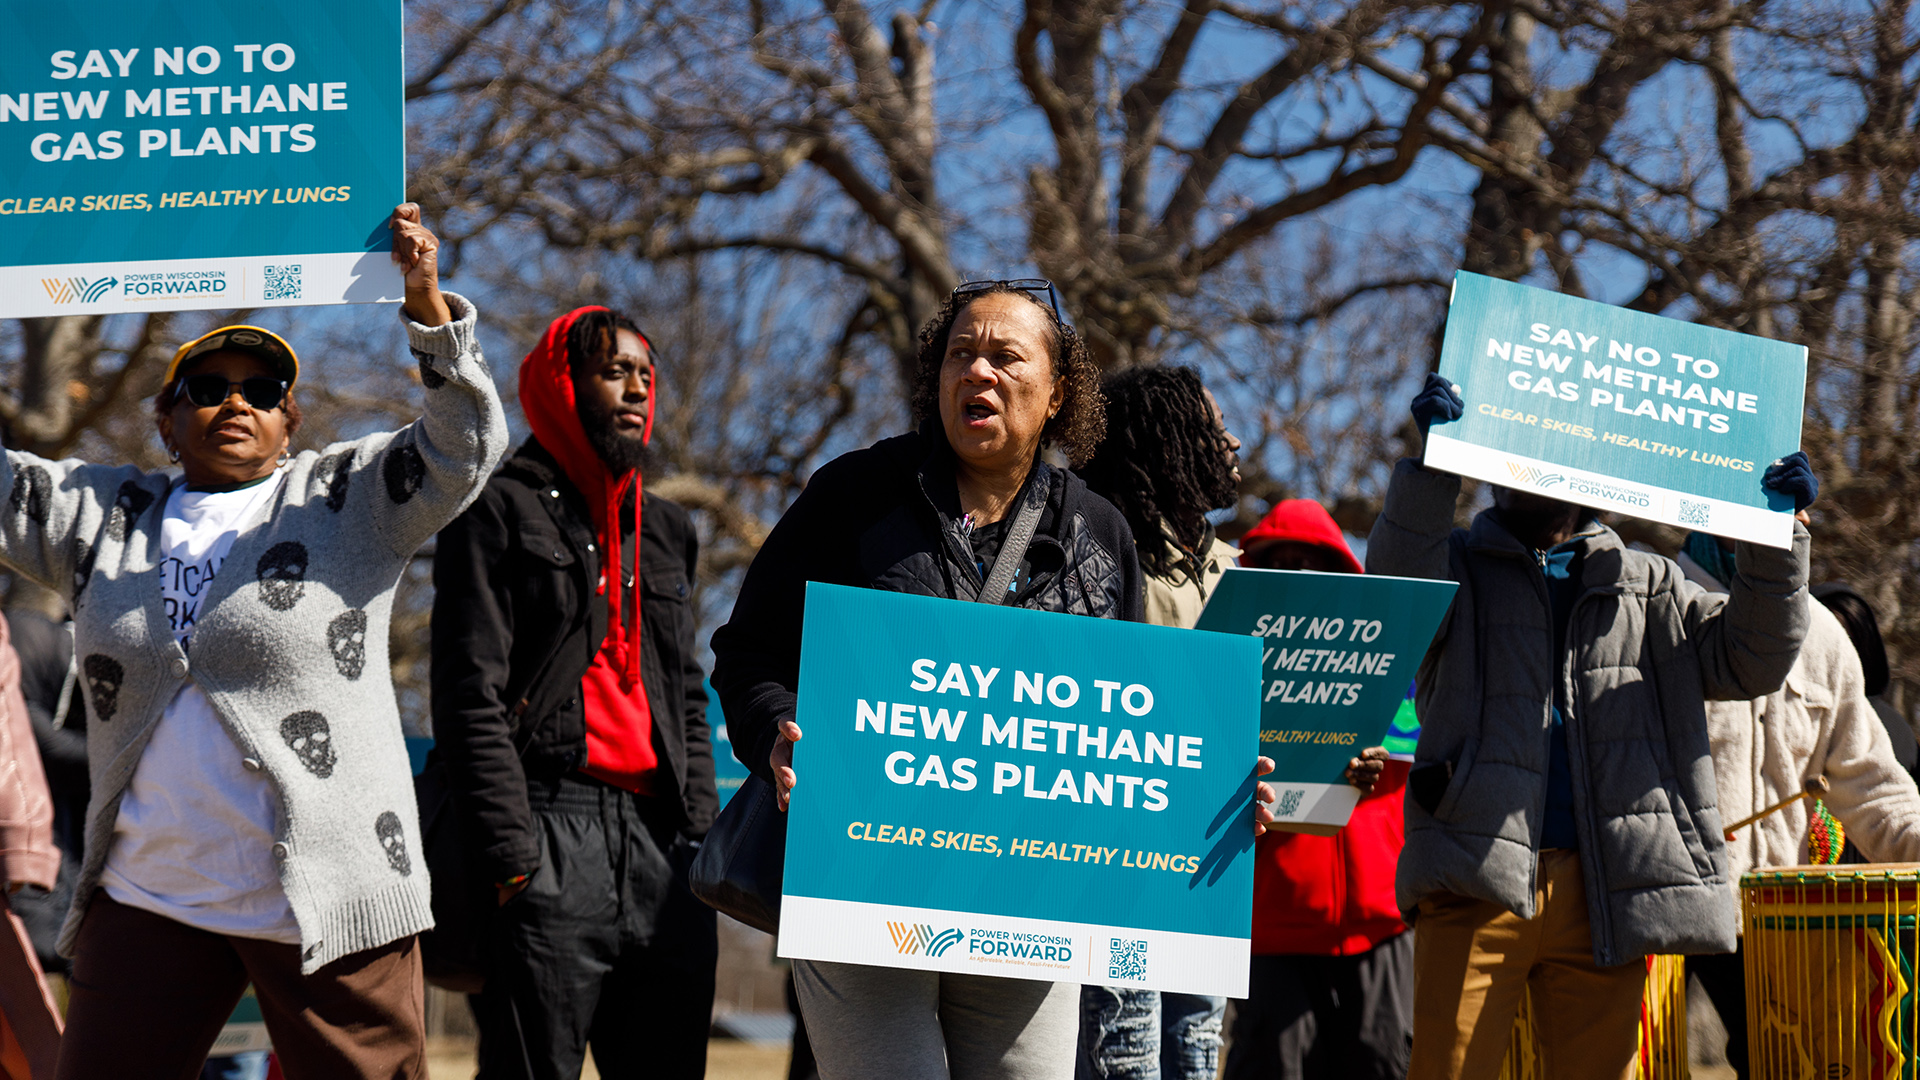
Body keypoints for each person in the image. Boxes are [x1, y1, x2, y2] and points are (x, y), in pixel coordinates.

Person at [710, 280, 1279, 1080]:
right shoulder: (854, 495)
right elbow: (749, 651)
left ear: (1057, 394)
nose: (976, 372)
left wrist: (1208, 799)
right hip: (864, 886)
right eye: (958, 355)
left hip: (1027, 913)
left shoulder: (1101, 532)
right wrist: (777, 730)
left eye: (1005, 356)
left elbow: (1129, 732)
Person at [1, 204, 508, 1080]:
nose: (235, 401)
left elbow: (464, 448)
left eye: (261, 390)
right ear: (166, 421)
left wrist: (427, 308)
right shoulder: (100, 516)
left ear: (290, 419)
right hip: (150, 898)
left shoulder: (347, 500)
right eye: (207, 388)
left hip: (328, 898)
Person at [1370, 374, 1815, 1080]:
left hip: (1608, 893)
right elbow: (1392, 604)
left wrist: (1777, 538)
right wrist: (1428, 470)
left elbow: (1753, 661)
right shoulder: (1453, 565)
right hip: (1472, 878)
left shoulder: (1656, 585)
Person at [431, 305, 719, 1080]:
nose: (635, 389)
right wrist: (513, 858)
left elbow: (684, 686)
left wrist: (697, 827)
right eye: (614, 370)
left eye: (646, 377)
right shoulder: (493, 509)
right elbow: (467, 694)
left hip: (663, 846)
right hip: (547, 832)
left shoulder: (668, 529)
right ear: (562, 382)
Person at [1676, 543, 1920, 1078]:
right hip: (1653, 913)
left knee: (1787, 1065)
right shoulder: (1650, 608)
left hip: (1775, 921)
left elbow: (1876, 788)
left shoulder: (1826, 635)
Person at [1072, 364, 1241, 1079]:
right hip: (1123, 863)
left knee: (1196, 1053)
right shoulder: (1102, 553)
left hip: (1210, 864)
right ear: (1165, 440)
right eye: (1213, 424)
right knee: (1126, 1053)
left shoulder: (1233, 566)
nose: (1232, 440)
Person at [1224, 499, 1413, 1080]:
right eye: (1280, 563)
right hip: (1271, 930)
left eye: (1312, 563)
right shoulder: (1226, 661)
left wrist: (1381, 769)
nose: (1298, 575)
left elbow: (1411, 759)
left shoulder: (1386, 656)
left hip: (1379, 921)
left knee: (1385, 1066)